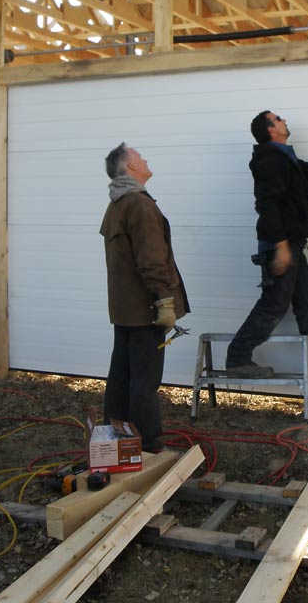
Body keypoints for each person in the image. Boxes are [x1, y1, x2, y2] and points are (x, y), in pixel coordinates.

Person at [224, 111, 308, 379]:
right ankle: (237, 358)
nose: (285, 120)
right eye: (279, 119)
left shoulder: (285, 158)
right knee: (274, 304)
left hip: (291, 244)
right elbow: (267, 204)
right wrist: (281, 245)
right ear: (271, 129)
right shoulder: (269, 160)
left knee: (306, 301)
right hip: (279, 244)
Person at [100, 143, 190, 453]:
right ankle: (147, 443)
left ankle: (117, 434)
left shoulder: (117, 205)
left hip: (125, 311)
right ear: (129, 168)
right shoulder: (139, 205)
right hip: (144, 311)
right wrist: (164, 301)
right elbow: (152, 260)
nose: (146, 159)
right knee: (144, 381)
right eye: (140, 157)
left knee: (121, 374)